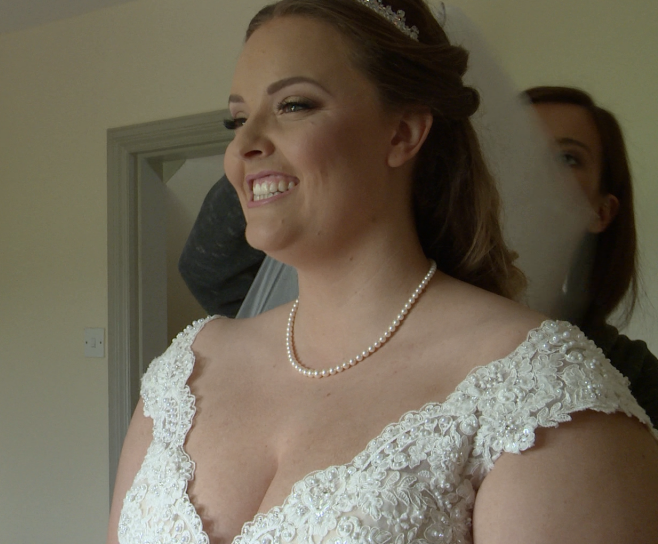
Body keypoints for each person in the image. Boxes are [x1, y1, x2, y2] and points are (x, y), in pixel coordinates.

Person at [108, 0, 658, 544]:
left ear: (402, 133)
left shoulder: (539, 393)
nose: (244, 144)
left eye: (293, 104)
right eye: (237, 119)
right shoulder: (186, 371)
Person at [178, 83, 658, 423]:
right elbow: (208, 269)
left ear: (602, 210)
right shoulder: (373, 318)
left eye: (565, 157)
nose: (529, 170)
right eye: (515, 148)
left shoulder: (628, 373)